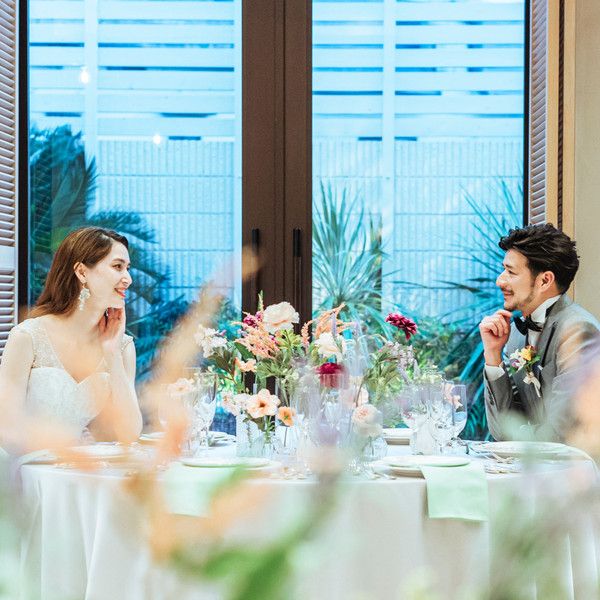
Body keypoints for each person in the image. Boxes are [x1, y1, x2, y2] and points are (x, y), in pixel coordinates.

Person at [0, 227, 142, 444]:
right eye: (117, 267)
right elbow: (5, 429)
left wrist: (112, 354)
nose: (128, 279)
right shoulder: (27, 337)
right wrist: (68, 444)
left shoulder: (122, 347)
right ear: (82, 272)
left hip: (82, 463)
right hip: (28, 464)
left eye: (128, 268)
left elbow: (129, 435)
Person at [479, 224, 600, 441]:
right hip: (534, 461)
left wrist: (519, 436)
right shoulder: (515, 334)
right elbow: (502, 431)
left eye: (510, 272)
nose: (500, 281)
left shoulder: (578, 330)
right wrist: (493, 356)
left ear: (545, 281)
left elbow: (562, 433)